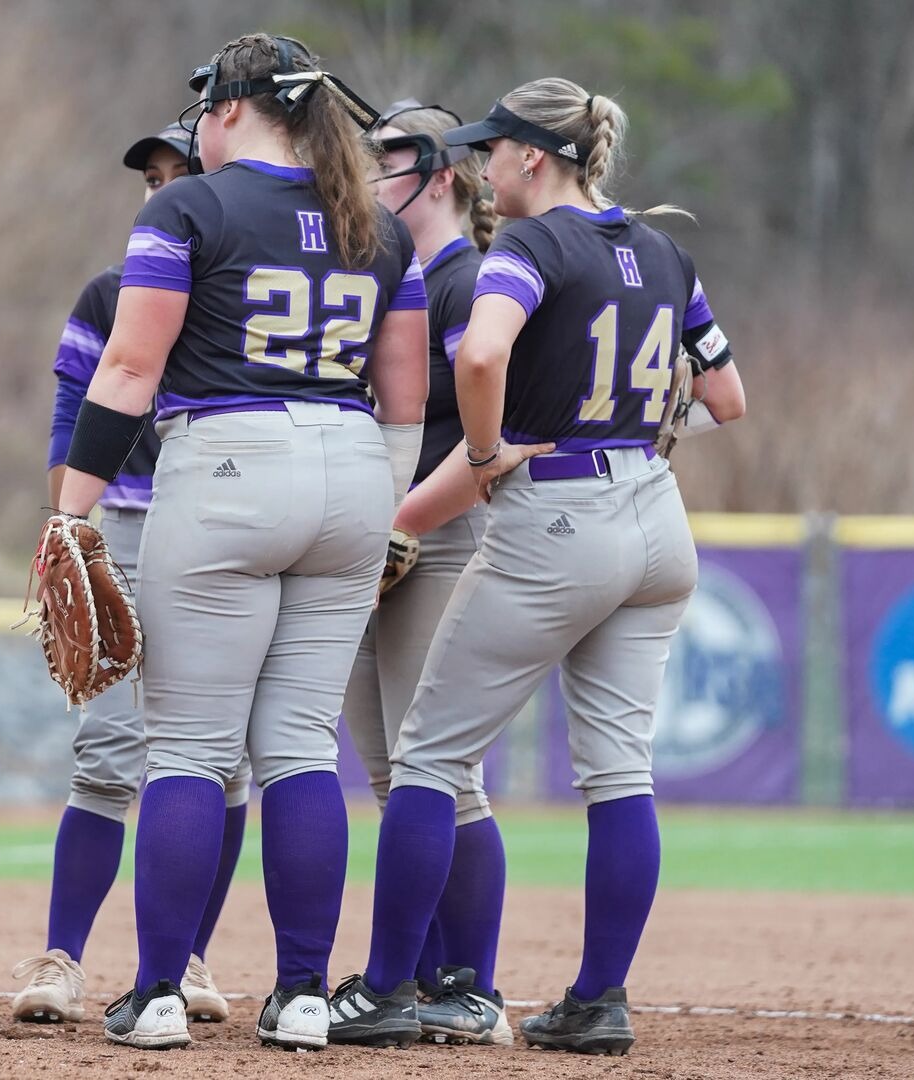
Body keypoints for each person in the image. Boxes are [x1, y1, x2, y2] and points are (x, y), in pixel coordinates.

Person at [327, 77, 746, 1054]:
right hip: (653, 510)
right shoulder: (663, 251)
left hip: (558, 513)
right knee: (619, 775)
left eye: (494, 150)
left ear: (533, 159)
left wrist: (481, 454)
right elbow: (727, 396)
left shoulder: (531, 243)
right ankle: (598, 1000)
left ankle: (388, 988)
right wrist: (640, 425)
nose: (483, 166)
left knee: (427, 756)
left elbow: (480, 359)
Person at [49, 33, 427, 1051]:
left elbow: (129, 370)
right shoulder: (378, 227)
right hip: (352, 467)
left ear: (227, 110)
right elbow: (406, 396)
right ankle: (304, 995)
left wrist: (71, 510)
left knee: (188, 747)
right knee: (303, 748)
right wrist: (384, 511)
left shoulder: (187, 208)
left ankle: (159, 994)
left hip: (226, 462)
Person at [10, 122, 249, 1027]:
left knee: (219, 763)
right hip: (127, 521)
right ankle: (61, 958)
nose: (158, 189)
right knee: (106, 753)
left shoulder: (244, 292)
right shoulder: (110, 293)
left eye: (177, 173)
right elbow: (73, 411)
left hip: (218, 522)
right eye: (152, 176)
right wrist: (70, 531)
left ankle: (186, 958)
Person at [341, 99, 513, 1047]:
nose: (369, 176)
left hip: (438, 539)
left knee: (441, 773)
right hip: (381, 542)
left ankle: (471, 986)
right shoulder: (390, 276)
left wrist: (410, 520)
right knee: (389, 771)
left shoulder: (462, 279)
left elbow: (494, 439)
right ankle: (425, 977)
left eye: (390, 159)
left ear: (440, 174)